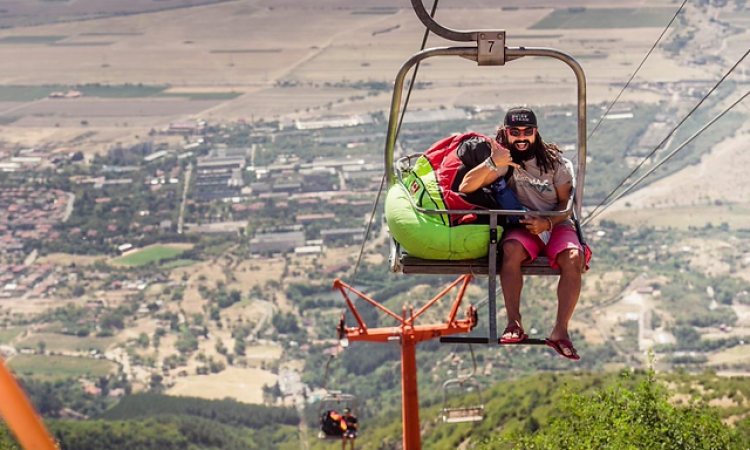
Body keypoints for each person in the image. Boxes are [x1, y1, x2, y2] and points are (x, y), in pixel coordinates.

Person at [458, 107, 590, 360]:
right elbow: (467, 186)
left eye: (527, 132)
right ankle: (513, 323)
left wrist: (548, 223)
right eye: (514, 132)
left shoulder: (556, 163)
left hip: (555, 223)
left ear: (536, 132)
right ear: (506, 133)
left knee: (573, 257)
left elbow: (566, 205)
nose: (521, 137)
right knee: (511, 250)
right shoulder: (503, 161)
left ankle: (560, 331)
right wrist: (491, 163)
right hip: (522, 226)